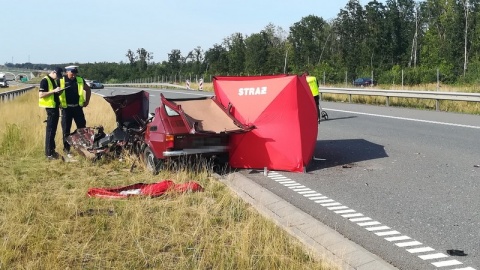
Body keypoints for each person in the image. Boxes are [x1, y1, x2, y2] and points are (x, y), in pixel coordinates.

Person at [59, 65, 91, 157]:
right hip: (66, 109)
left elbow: (88, 89)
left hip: (77, 108)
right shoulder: (61, 80)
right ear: (67, 72)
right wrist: (58, 104)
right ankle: (67, 150)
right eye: (72, 73)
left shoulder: (80, 80)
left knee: (82, 129)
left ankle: (83, 149)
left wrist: (87, 101)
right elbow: (55, 93)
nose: (74, 75)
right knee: (66, 130)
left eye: (75, 73)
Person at [39, 67, 64, 160]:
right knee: (50, 131)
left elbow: (54, 95)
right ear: (53, 72)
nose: (58, 78)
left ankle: (52, 150)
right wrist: (54, 91)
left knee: (53, 131)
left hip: (55, 107)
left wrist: (59, 92)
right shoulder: (45, 81)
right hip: (50, 108)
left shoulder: (53, 81)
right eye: (57, 76)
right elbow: (41, 94)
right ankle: (48, 153)